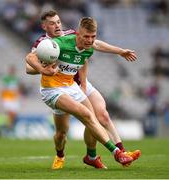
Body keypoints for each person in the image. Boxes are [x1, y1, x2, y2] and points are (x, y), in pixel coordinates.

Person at [26, 10, 141, 169]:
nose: (57, 25)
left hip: (73, 85)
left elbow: (86, 55)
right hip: (53, 89)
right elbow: (29, 62)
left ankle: (108, 154)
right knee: (62, 133)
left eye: (58, 21)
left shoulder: (81, 40)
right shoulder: (48, 43)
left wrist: (120, 51)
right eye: (52, 23)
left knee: (95, 117)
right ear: (44, 26)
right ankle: (60, 155)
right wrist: (43, 68)